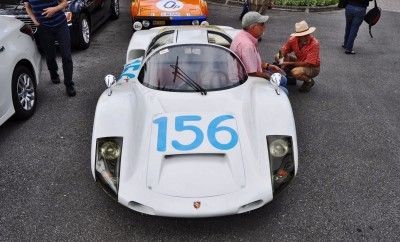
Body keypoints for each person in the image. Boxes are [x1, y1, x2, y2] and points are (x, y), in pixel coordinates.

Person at [24, 0, 76, 97]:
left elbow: (65, 3)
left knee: (66, 55)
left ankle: (69, 84)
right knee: (50, 54)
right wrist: (34, 20)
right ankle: (53, 72)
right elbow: (27, 6)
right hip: (44, 28)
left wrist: (55, 9)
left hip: (60, 24)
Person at [231, 12, 288, 94]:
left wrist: (267, 66)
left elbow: (251, 62)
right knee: (284, 92)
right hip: (246, 81)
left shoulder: (242, 35)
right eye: (262, 24)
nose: (265, 26)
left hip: (249, 75)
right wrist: (268, 77)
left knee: (283, 79)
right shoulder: (247, 46)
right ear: (253, 28)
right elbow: (251, 73)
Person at [275, 20, 320, 93]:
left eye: (308, 34)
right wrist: (281, 62)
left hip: (313, 67)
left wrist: (286, 63)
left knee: (295, 72)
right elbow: (282, 51)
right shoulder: (293, 40)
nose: (307, 37)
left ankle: (309, 81)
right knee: (278, 56)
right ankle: (290, 77)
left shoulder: (314, 44)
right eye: (303, 36)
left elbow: (307, 63)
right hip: (300, 62)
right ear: (298, 36)